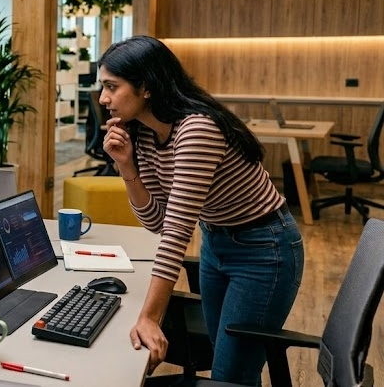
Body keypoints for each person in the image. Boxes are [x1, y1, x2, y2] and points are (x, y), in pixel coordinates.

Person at [100, 36, 303, 385]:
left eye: (111, 87)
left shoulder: (197, 129)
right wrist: (126, 166)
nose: (103, 98)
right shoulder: (143, 134)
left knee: (230, 375)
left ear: (146, 87)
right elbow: (157, 221)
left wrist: (150, 317)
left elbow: (177, 231)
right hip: (216, 242)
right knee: (225, 362)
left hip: (264, 248)